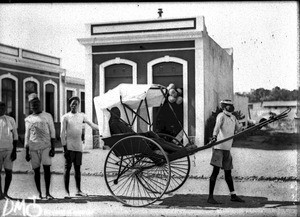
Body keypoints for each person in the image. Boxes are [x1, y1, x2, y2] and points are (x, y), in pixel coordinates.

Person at [207, 99, 245, 204]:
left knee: (228, 173)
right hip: (219, 148)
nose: (231, 107)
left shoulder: (233, 118)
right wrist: (214, 136)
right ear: (224, 107)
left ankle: (233, 195)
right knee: (215, 172)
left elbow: (239, 129)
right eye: (229, 105)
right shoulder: (221, 116)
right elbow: (216, 128)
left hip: (227, 149)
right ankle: (210, 197)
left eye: (232, 105)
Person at [61, 96, 99, 198]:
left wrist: (102, 130)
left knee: (77, 169)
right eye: (72, 103)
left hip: (78, 146)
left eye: (76, 104)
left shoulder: (82, 116)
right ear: (69, 104)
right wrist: (65, 148)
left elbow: (92, 124)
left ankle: (78, 190)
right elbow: (62, 133)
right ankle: (66, 192)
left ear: (78, 105)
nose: (74, 105)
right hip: (69, 147)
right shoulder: (65, 117)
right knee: (67, 169)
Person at [108, 107, 181, 153]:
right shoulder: (114, 124)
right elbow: (120, 137)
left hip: (135, 138)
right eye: (117, 113)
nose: (119, 115)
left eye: (119, 113)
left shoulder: (119, 122)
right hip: (132, 142)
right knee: (156, 141)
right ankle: (177, 150)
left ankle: (176, 148)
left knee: (151, 133)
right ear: (112, 114)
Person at [24, 93, 56, 200]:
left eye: (37, 103)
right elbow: (27, 136)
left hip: (46, 146)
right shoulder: (28, 119)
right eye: (33, 104)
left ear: (40, 104)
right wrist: (26, 151)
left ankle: (47, 193)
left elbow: (52, 131)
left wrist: (53, 148)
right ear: (30, 106)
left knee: (47, 169)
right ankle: (39, 194)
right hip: (33, 148)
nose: (35, 106)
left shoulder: (47, 116)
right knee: (36, 171)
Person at [0, 101, 18, 200]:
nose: (1, 110)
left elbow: (15, 136)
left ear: (5, 109)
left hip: (9, 150)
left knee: (9, 172)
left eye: (3, 108)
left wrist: (14, 151)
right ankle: (0, 193)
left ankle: (6, 193)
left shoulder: (10, 119)